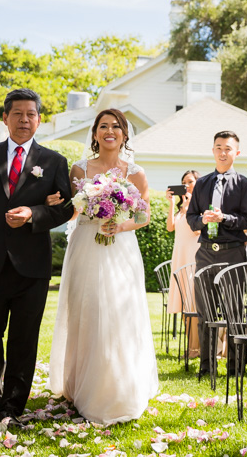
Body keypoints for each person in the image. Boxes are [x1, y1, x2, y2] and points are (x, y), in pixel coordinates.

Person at [0, 89, 74, 421]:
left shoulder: (53, 162)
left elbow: (65, 210)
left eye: (31, 114)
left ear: (39, 120)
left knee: (24, 339)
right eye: (17, 114)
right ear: (5, 118)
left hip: (31, 265)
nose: (24, 120)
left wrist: (34, 214)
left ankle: (12, 405)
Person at [48, 108, 159, 424]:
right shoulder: (79, 170)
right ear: (95, 133)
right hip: (85, 245)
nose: (109, 131)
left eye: (116, 127)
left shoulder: (135, 172)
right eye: (103, 126)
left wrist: (120, 226)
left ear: (125, 134)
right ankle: (81, 382)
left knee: (118, 313)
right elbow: (71, 212)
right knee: (88, 310)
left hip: (120, 248)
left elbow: (144, 215)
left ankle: (119, 386)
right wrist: (56, 206)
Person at [186, 131, 247, 379]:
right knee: (205, 314)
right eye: (218, 148)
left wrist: (224, 217)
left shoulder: (245, 184)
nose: (223, 153)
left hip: (233, 254)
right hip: (205, 253)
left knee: (235, 313)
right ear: (212, 151)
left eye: (228, 148)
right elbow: (190, 217)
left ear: (236, 152)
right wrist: (202, 219)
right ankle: (207, 368)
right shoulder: (202, 183)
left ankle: (236, 369)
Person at [165, 170, 201, 356]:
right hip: (180, 257)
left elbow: (197, 232)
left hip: (193, 257)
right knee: (184, 305)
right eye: (184, 182)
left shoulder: (201, 206)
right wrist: (173, 204)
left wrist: (189, 209)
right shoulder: (183, 206)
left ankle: (196, 348)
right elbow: (170, 227)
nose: (187, 185)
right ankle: (191, 345)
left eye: (191, 181)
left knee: (192, 303)